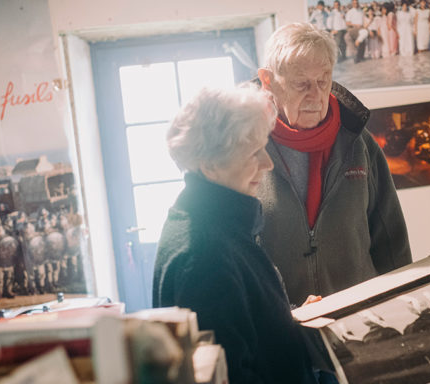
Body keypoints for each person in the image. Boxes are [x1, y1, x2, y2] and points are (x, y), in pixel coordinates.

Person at [152, 86, 316, 384]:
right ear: (210, 164)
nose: (268, 164)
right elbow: (234, 374)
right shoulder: (205, 255)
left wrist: (287, 318)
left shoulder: (213, 222)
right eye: (254, 152)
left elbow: (244, 323)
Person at [256, 23, 412, 306]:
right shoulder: (248, 151)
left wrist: (402, 305)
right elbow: (241, 261)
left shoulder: (359, 143)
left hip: (364, 316)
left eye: (324, 81)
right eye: (301, 84)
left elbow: (391, 239)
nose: (316, 96)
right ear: (268, 81)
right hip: (287, 328)